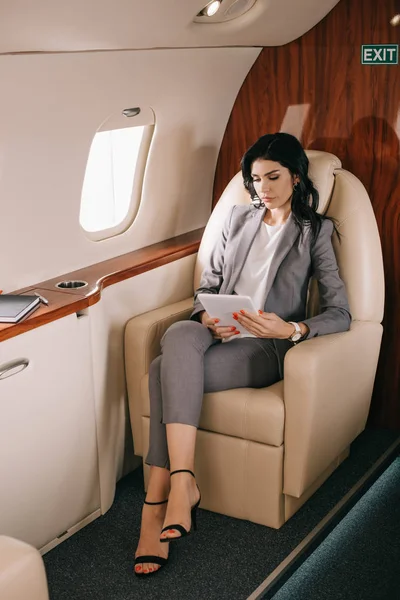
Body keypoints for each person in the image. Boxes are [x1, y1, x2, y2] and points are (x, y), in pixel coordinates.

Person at [134, 132, 351, 576]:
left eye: (273, 176)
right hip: (219, 330)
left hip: (264, 346)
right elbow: (208, 286)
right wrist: (204, 316)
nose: (263, 188)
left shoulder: (316, 232)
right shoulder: (235, 219)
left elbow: (341, 313)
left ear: (295, 176)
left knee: (160, 372)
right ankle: (183, 481)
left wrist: (291, 328)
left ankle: (155, 505)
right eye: (255, 179)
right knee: (177, 335)